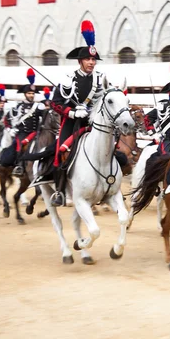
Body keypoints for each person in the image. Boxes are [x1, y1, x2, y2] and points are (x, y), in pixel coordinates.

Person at [47, 20, 104, 206]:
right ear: (80, 61)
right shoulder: (68, 79)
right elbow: (54, 103)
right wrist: (71, 112)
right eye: (88, 59)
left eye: (93, 60)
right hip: (71, 124)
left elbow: (104, 102)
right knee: (59, 154)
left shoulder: (100, 80)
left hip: (91, 124)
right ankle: (59, 191)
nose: (91, 63)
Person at [0, 70, 45, 176]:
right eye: (29, 93)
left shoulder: (38, 107)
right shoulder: (18, 107)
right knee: (20, 145)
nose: (31, 95)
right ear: (25, 94)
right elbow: (8, 118)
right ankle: (19, 166)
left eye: (33, 93)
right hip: (22, 133)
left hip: (35, 133)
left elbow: (45, 117)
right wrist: (10, 128)